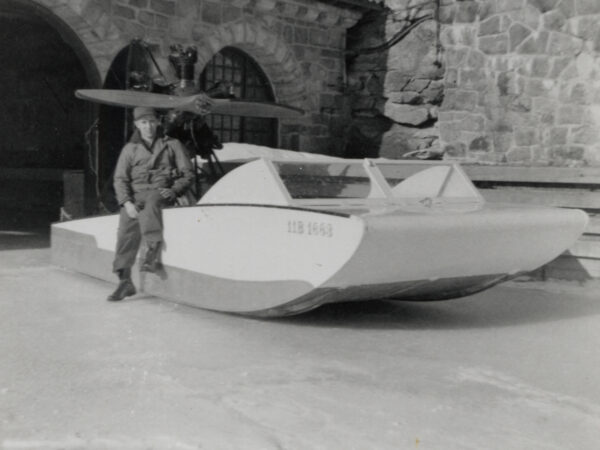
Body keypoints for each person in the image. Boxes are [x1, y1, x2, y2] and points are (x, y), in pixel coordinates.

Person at [107, 106, 194, 301]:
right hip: (136, 195)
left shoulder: (172, 144)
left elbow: (188, 173)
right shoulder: (130, 149)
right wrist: (126, 202)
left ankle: (151, 256)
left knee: (152, 204)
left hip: (159, 191)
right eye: (144, 123)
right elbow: (120, 179)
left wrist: (174, 190)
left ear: (158, 123)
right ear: (137, 125)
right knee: (125, 231)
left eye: (152, 122)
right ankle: (124, 281)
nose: (149, 127)